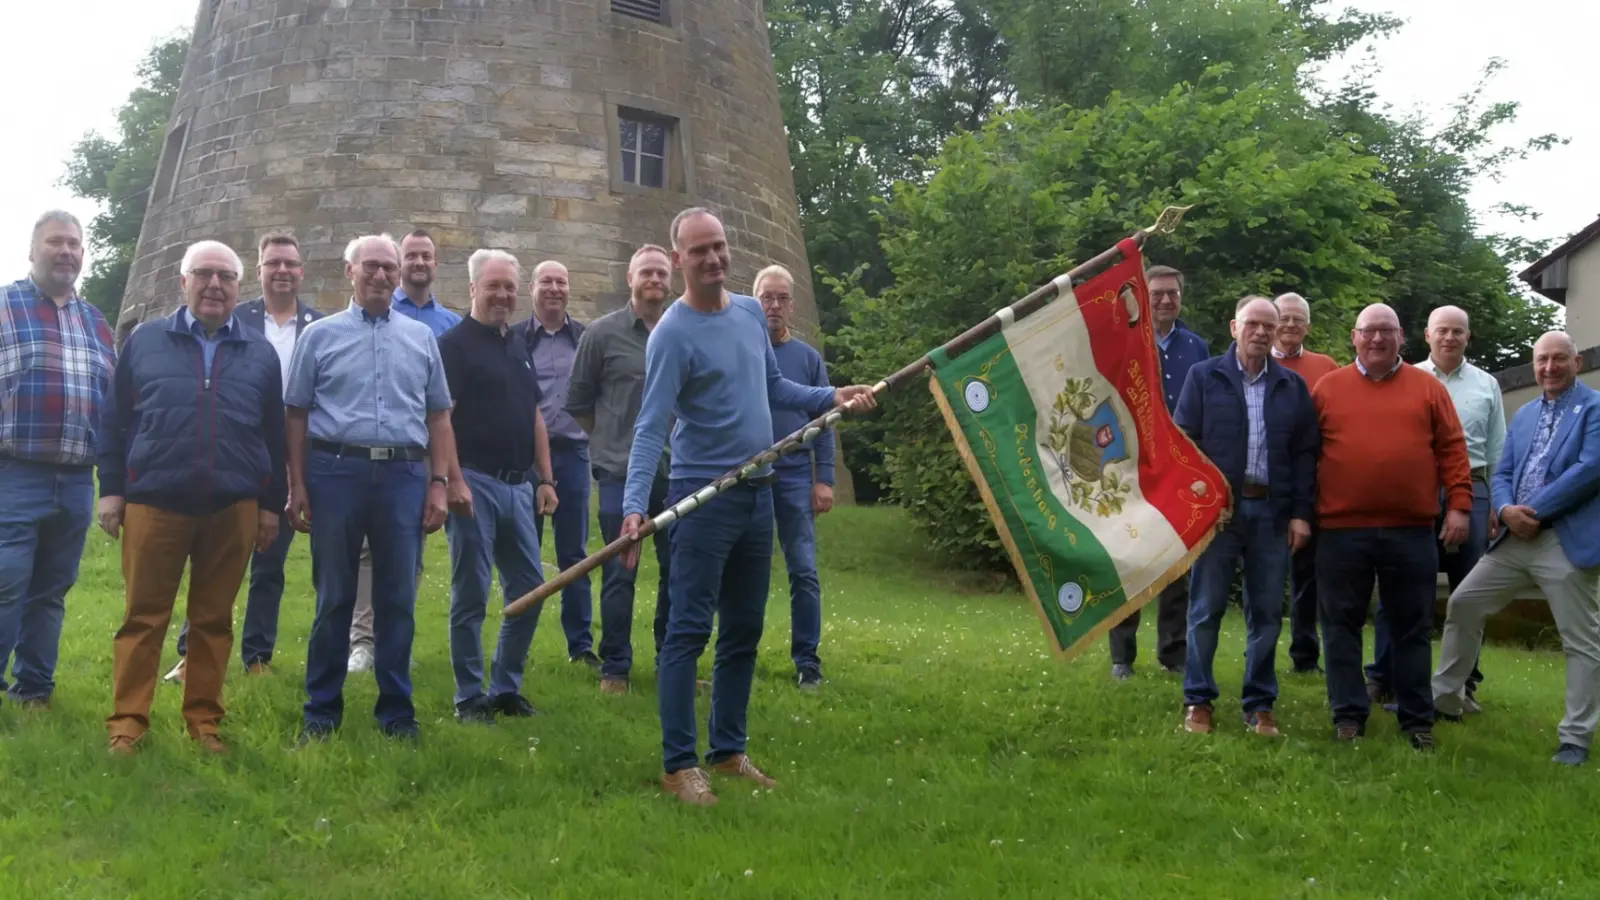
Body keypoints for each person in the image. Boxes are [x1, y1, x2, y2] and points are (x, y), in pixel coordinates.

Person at [620, 207, 877, 805]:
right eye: (699, 250)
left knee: (743, 628)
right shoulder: (671, 335)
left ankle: (728, 750)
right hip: (701, 500)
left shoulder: (745, 314)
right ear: (679, 257)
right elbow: (651, 426)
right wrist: (635, 506)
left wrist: (828, 397)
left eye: (719, 247)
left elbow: (773, 387)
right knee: (687, 632)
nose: (713, 258)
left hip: (759, 490)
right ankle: (679, 764)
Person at [98, 240, 286, 755]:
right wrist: (112, 490)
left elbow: (273, 436)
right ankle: (128, 724)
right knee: (143, 617)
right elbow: (114, 421)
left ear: (238, 287)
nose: (214, 285)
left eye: (226, 276)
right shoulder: (146, 342)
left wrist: (270, 505)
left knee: (213, 620)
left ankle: (204, 723)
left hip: (232, 506)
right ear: (183, 282)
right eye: (203, 274)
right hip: (155, 501)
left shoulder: (260, 353)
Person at [285, 233, 458, 744]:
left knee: (398, 599)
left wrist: (439, 485)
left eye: (390, 266)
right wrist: (297, 484)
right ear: (350, 272)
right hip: (336, 472)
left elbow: (440, 416)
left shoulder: (421, 338)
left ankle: (397, 713)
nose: (382, 275)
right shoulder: (318, 336)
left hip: (404, 476)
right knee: (334, 596)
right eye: (372, 267)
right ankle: (321, 712)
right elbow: (294, 415)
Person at [1432, 332, 1600, 766]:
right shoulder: (1523, 414)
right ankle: (1446, 701)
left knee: (1581, 641)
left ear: (1576, 362)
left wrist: (1533, 512)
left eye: (1558, 359)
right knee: (1464, 604)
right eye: (1542, 359)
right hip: (1513, 539)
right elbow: (1501, 469)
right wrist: (1505, 509)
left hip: (1563, 540)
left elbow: (1590, 470)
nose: (1549, 367)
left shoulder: (1595, 409)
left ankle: (1575, 738)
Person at [1312, 302, 1471, 751]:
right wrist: (1302, 515)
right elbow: (1305, 455)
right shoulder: (1328, 388)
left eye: (1386, 331)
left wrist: (1459, 506)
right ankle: (1347, 715)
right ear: (1354, 336)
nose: (1377, 339)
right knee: (1340, 624)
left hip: (1411, 530)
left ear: (1402, 336)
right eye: (1369, 332)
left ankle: (1417, 719)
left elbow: (1453, 450)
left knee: (1411, 626)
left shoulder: (1428, 388)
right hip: (1341, 530)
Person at [165, 232, 321, 683]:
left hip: (288, 454)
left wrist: (299, 476)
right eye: (273, 263)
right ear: (259, 271)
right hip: (231, 448)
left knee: (269, 564)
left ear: (301, 271)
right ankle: (191, 653)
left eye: (291, 263)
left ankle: (256, 657)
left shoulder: (320, 325)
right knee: (212, 559)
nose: (283, 271)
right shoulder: (235, 316)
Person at [1174, 297, 1318, 737]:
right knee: (1205, 609)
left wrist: (1300, 515)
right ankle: (1198, 700)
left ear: (1278, 333)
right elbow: (1184, 443)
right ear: (1234, 327)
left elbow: (1305, 455)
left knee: (1267, 615)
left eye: (1268, 326)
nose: (1260, 332)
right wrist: (1197, 506)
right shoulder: (1204, 377)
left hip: (1273, 514)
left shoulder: (1291, 388)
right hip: (1218, 514)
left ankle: (1259, 704)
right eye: (1252, 324)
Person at [0, 210, 116, 709]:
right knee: (6, 584)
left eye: (74, 243)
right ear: (32, 250)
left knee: (50, 591)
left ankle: (34, 691)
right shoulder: (4, 307)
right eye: (55, 242)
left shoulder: (95, 320)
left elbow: (110, 400)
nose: (66, 251)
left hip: (75, 481)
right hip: (14, 474)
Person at [439, 249, 559, 723]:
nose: (503, 296)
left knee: (529, 589)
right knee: (470, 594)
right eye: (493, 286)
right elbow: (440, 418)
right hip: (475, 484)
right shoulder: (454, 346)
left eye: (509, 287)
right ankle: (470, 696)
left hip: (519, 487)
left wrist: (545, 478)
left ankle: (505, 687)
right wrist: (452, 480)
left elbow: (535, 416)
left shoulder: (517, 343)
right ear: (472, 288)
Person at [1367, 306, 1505, 712]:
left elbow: (1499, 449)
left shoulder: (1487, 385)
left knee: (1470, 593)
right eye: (1442, 330)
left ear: (1468, 336)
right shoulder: (1405, 379)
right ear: (1426, 336)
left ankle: (1463, 684)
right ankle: (1384, 677)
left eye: (1457, 331)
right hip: (1418, 489)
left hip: (1475, 490)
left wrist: (1496, 503)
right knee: (1399, 583)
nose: (1450, 337)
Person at [346, 228, 460, 673]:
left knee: (407, 547)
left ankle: (395, 640)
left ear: (435, 263)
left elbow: (445, 407)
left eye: (425, 256)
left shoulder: (448, 326)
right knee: (365, 551)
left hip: (421, 449)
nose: (417, 263)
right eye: (409, 255)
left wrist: (446, 473)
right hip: (368, 446)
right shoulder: (369, 313)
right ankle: (362, 640)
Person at [567, 245, 675, 695]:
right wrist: (610, 442)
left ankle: (674, 664)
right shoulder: (602, 334)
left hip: (676, 472)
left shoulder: (683, 330)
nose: (655, 279)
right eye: (646, 272)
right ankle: (615, 667)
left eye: (662, 273)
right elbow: (579, 402)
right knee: (619, 571)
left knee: (679, 572)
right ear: (630, 278)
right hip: (619, 470)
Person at [1107, 264, 1208, 679]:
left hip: (1178, 468)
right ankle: (1122, 657)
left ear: (1182, 296)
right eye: (1158, 293)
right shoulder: (1125, 340)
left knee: (1175, 563)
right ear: (1144, 298)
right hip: (1129, 467)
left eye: (1173, 293)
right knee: (1128, 560)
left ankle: (1173, 653)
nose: (1166, 300)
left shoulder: (1197, 347)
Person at [756, 263, 836, 690]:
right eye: (766, 297)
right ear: (756, 302)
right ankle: (738, 657)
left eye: (781, 298)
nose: (773, 305)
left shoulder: (807, 359)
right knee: (740, 571)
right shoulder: (745, 350)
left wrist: (824, 479)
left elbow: (825, 419)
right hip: (746, 475)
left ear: (793, 304)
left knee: (803, 570)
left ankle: (808, 663)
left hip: (791, 476)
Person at [517, 260, 597, 668]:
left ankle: (580, 646)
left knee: (574, 554)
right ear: (531, 288)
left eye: (561, 282)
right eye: (545, 281)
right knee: (523, 554)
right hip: (524, 458)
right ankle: (519, 645)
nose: (553, 288)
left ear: (569, 289)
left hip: (573, 455)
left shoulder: (585, 338)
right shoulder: (513, 339)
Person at [1271, 292, 1341, 675]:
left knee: (1308, 577)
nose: (1290, 325)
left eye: (1298, 320)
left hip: (1309, 485)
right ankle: (1259, 649)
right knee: (1263, 574)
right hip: (1264, 483)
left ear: (1308, 327)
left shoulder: (1326, 367)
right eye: (1284, 318)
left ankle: (1304, 655)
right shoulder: (1256, 361)